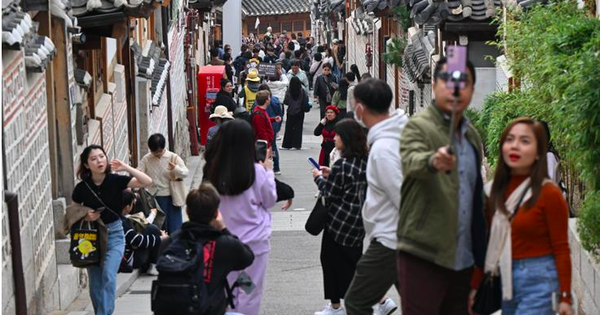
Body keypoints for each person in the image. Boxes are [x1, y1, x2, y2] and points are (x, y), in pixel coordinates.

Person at [397, 57, 486, 315]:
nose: (455, 89)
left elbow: (475, 195)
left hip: (463, 257)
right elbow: (411, 160)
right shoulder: (418, 126)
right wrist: (433, 160)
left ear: (471, 90)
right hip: (423, 252)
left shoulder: (471, 135)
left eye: (463, 82)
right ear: (434, 85)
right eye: (447, 81)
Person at [473, 117, 573, 315]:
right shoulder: (492, 192)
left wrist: (565, 297)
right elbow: (487, 243)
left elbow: (561, 249)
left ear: (538, 153)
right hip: (502, 279)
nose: (515, 146)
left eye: (525, 141)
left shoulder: (549, 194)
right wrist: (475, 286)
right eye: (510, 139)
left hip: (539, 282)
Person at [343, 79, 408, 315]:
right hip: (400, 238)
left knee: (356, 301)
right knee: (417, 304)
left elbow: (404, 198)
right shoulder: (401, 131)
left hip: (392, 238)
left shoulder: (382, 150)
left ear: (360, 108)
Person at [203, 120, 278, 315]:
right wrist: (269, 171)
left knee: (227, 286)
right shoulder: (257, 172)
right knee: (249, 289)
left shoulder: (213, 170)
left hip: (223, 241)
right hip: (253, 244)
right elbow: (270, 200)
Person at [71, 144, 153, 315]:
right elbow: (73, 212)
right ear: (86, 165)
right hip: (92, 237)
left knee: (109, 274)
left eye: (101, 156)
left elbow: (147, 181)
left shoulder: (116, 180)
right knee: (95, 281)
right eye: (93, 159)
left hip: (115, 233)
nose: (99, 161)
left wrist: (125, 167)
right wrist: (86, 215)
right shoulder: (82, 188)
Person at [161, 183, 255, 315]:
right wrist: (223, 228)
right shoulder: (224, 244)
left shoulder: (170, 242)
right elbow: (247, 257)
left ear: (187, 211)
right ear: (216, 213)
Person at [312, 119, 368, 315]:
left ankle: (336, 306)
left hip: (338, 223)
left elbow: (330, 193)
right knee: (353, 263)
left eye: (337, 135)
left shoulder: (342, 165)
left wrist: (318, 178)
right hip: (357, 224)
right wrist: (331, 174)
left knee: (331, 263)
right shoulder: (363, 163)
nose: (334, 138)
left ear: (346, 139)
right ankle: (368, 301)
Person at [138, 134, 189, 234]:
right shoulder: (146, 159)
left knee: (174, 228)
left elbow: (185, 173)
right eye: (154, 152)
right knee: (160, 228)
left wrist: (175, 169)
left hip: (172, 197)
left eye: (159, 151)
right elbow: (140, 173)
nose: (157, 154)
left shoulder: (173, 157)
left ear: (163, 147)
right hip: (154, 199)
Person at [120, 190, 167, 275]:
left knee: (151, 229)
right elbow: (136, 240)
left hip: (124, 257)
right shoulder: (123, 222)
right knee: (153, 229)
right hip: (128, 260)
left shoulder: (120, 218)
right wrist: (160, 239)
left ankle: (152, 264)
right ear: (127, 207)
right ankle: (154, 264)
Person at [252, 85, 284, 174]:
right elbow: (261, 131)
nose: (270, 99)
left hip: (266, 141)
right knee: (264, 163)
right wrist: (268, 145)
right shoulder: (259, 113)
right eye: (269, 98)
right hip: (264, 144)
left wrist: (273, 119)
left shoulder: (261, 111)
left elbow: (265, 120)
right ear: (266, 100)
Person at [282, 76, 310, 150]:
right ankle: (296, 144)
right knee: (298, 129)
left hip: (290, 111)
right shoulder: (303, 91)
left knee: (288, 128)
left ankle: (287, 145)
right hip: (300, 112)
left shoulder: (289, 91)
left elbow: (286, 102)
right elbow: (306, 100)